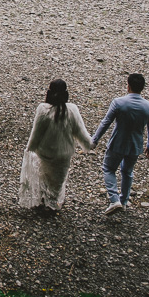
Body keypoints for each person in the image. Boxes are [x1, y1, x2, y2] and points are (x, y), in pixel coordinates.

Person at [18, 79, 94, 211]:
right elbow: (80, 132)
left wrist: (29, 148)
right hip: (63, 154)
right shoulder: (72, 110)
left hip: (45, 152)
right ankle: (52, 203)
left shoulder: (43, 110)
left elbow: (36, 133)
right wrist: (90, 144)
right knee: (57, 181)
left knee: (44, 176)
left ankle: (43, 200)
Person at [90, 73, 149, 215]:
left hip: (117, 143)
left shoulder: (118, 103)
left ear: (128, 86)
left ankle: (114, 200)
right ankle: (124, 201)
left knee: (108, 169)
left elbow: (106, 122)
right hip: (135, 146)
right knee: (127, 172)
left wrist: (95, 140)